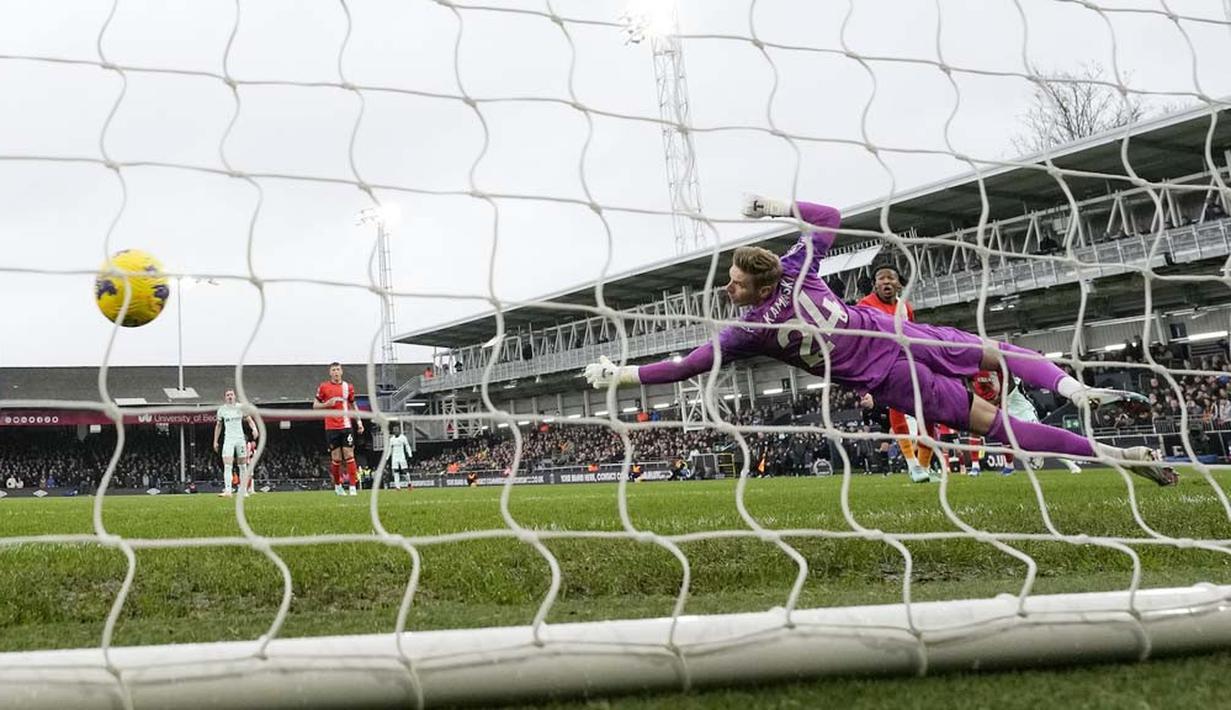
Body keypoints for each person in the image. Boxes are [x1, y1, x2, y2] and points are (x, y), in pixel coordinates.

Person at [584, 195, 1176, 486]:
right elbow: (828, 217)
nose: (729, 291)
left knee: (996, 423)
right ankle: (1077, 395)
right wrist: (779, 206)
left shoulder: (748, 329)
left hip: (895, 373)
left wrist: (624, 375)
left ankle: (1102, 432)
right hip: (902, 341)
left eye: (735, 283)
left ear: (755, 279)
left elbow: (688, 367)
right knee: (992, 357)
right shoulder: (796, 269)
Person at [855, 257, 935, 483]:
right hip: (882, 365)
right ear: (875, 283)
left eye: (891, 277)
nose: (886, 281)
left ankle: (925, 467)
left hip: (908, 361)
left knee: (928, 410)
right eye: (881, 278)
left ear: (899, 283)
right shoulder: (865, 306)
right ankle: (912, 465)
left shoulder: (905, 308)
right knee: (897, 406)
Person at [314, 362, 365, 496]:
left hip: (346, 425)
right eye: (333, 370)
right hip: (331, 427)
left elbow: (354, 405)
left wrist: (359, 421)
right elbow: (315, 405)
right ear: (330, 373)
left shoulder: (348, 387)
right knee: (336, 458)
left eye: (338, 369)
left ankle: (353, 487)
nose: (336, 372)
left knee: (349, 455)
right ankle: (338, 486)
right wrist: (326, 404)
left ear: (341, 372)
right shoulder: (324, 387)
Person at [213, 388, 259, 497]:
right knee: (227, 465)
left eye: (231, 395)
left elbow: (249, 420)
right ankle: (228, 491)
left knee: (242, 465)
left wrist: (254, 429)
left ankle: (243, 490)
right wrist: (215, 441)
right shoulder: (222, 410)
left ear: (235, 396)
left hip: (240, 439)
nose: (229, 396)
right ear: (225, 397)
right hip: (228, 439)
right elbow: (218, 426)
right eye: (227, 395)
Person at [388, 425, 413, 490]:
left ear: (399, 430)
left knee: (405, 471)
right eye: (394, 430)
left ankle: (409, 483)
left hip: (402, 457)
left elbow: (407, 446)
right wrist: (387, 457)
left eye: (396, 429)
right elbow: (389, 449)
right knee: (396, 472)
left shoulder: (403, 438)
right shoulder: (391, 439)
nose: (395, 431)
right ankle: (398, 487)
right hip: (394, 457)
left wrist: (410, 455)